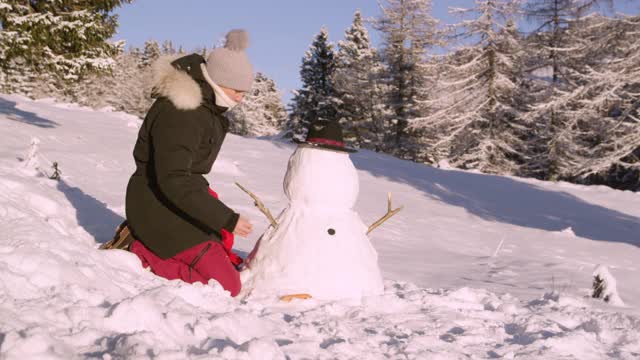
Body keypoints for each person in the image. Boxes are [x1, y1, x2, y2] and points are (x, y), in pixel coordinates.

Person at [124, 29, 254, 297]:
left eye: (245, 91)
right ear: (218, 81)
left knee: (223, 244)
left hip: (174, 198)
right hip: (154, 204)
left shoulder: (207, 109)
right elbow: (173, 178)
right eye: (237, 90)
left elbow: (188, 175)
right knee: (228, 286)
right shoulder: (182, 111)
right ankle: (143, 250)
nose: (241, 98)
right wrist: (225, 218)